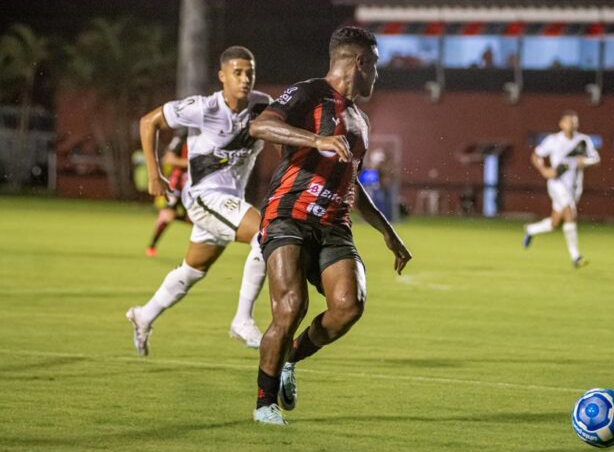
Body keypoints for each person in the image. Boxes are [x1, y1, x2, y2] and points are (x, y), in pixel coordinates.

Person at [248, 26, 412, 425]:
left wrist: (389, 233)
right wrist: (314, 140)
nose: (377, 75)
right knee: (292, 307)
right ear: (361, 62)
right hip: (289, 214)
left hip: (334, 224)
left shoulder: (360, 121)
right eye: (375, 66)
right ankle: (264, 404)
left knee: (348, 307)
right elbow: (260, 126)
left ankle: (289, 359)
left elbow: (350, 180)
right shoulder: (309, 93)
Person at [126, 46, 272, 355]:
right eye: (237, 72)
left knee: (192, 270)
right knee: (267, 234)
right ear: (222, 77)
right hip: (205, 199)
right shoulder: (203, 108)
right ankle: (242, 320)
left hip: (229, 203)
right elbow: (147, 122)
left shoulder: (262, 107)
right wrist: (154, 174)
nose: (245, 79)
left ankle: (144, 315)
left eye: (250, 73)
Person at [523, 111, 600, 267]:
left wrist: (584, 161)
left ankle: (531, 230)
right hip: (556, 184)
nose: (572, 125)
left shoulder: (583, 141)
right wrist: (544, 170)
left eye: (574, 122)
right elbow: (536, 156)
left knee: (554, 223)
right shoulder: (553, 140)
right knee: (570, 213)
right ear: (561, 124)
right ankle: (576, 257)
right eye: (569, 122)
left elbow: (596, 159)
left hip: (575, 187)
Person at [145, 130, 190, 257]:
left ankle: (173, 216)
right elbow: (168, 159)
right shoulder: (183, 135)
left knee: (196, 220)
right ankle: (152, 245)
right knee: (166, 217)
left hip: (195, 186)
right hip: (177, 185)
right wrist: (191, 164)